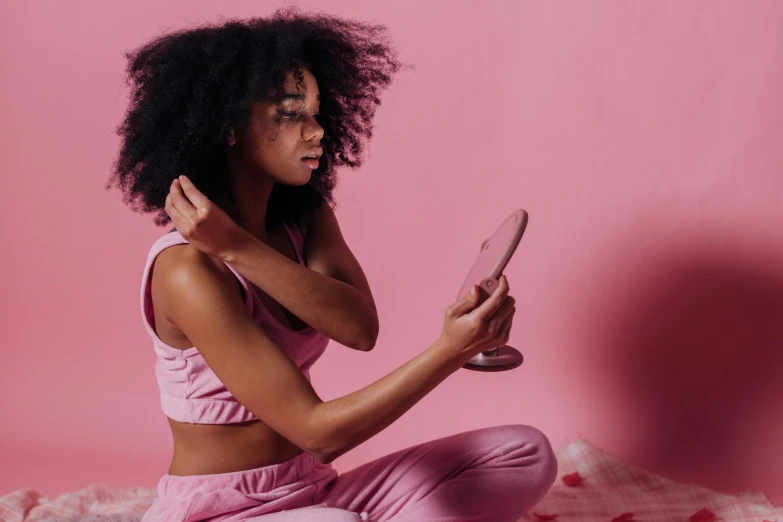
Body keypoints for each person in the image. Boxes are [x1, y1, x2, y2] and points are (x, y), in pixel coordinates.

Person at [107, 7, 557, 521]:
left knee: (525, 453)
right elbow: (316, 432)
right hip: (223, 511)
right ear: (230, 127)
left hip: (314, 490)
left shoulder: (305, 218)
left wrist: (239, 246)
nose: (317, 131)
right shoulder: (187, 271)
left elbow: (359, 328)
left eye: (317, 113)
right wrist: (452, 351)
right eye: (292, 113)